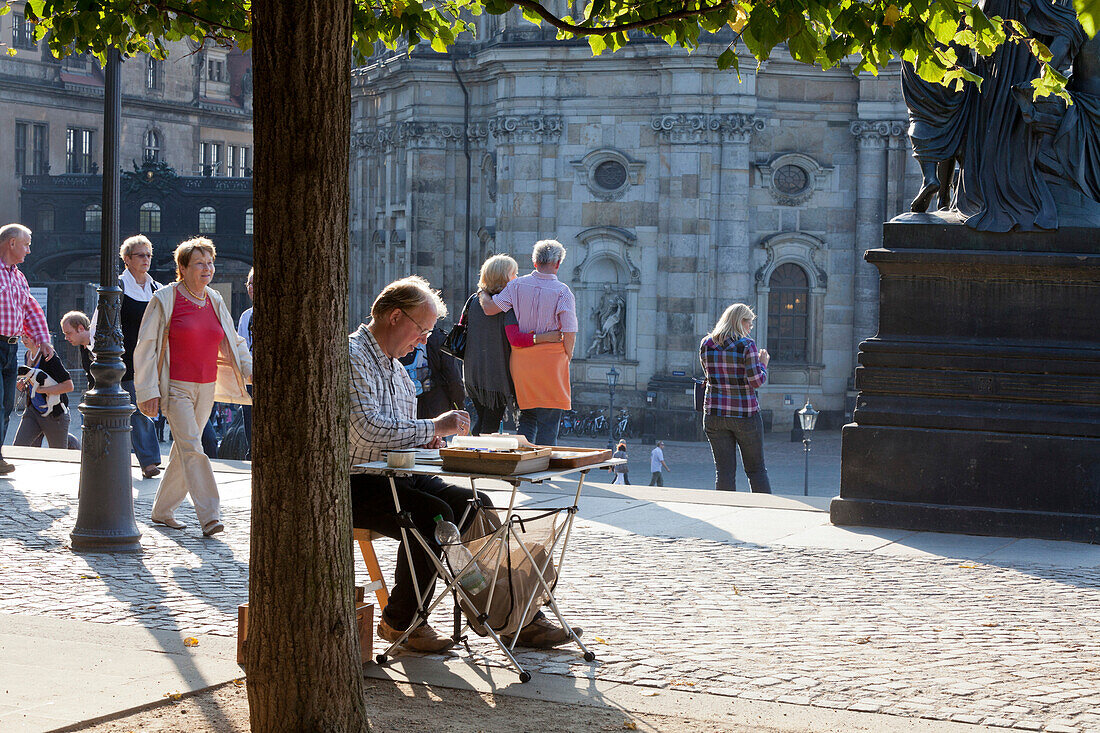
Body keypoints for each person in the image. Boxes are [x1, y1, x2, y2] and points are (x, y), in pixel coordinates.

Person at [350, 275, 574, 652]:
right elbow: (366, 432)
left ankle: (512, 610)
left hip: (395, 475)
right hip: (352, 483)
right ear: (394, 317)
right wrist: (433, 425)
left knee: (477, 504)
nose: (425, 340)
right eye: (422, 329)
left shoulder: (397, 369)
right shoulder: (352, 356)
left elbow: (398, 433)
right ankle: (402, 621)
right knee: (433, 515)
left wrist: (430, 438)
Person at [134, 238, 252, 536]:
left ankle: (162, 511)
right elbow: (146, 347)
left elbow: (233, 341)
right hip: (176, 388)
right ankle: (210, 515)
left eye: (210, 263)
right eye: (199, 263)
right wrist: (147, 391)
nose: (207, 268)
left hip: (206, 388)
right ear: (182, 268)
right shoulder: (164, 298)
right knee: (194, 449)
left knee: (185, 450)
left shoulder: (214, 299)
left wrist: (252, 372)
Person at [479, 240, 577, 446]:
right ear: (558, 263)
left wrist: (482, 292)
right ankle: (544, 468)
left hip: (522, 362)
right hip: (552, 362)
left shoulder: (516, 286)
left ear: (534, 261)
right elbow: (569, 331)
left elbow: (490, 309)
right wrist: (567, 356)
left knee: (527, 417)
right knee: (549, 422)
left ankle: (525, 464)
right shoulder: (563, 292)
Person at [84, 235, 167, 479]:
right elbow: (99, 322)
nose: (146, 260)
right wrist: (97, 353)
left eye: (149, 255)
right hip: (124, 359)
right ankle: (149, 461)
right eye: (141, 255)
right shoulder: (117, 287)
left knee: (147, 406)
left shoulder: (157, 289)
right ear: (127, 259)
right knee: (138, 408)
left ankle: (140, 456)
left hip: (149, 359)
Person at [700, 303, 772, 493]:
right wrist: (763, 363)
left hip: (714, 414)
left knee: (723, 472)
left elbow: (709, 376)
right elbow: (756, 381)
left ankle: (725, 509)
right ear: (740, 322)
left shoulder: (706, 344)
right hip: (744, 415)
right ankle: (765, 511)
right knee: (756, 470)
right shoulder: (747, 346)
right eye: (749, 323)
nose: (750, 328)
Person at [0, 224, 54, 475]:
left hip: (10, 348)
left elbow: (31, 310)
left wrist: (43, 339)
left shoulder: (18, 277)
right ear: (11, 243)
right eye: (26, 243)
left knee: (6, 404)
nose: (30, 250)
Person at [13, 333, 75, 449]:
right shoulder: (27, 355)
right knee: (18, 449)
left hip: (54, 414)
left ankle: (71, 442)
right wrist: (24, 384)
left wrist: (42, 390)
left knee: (58, 456)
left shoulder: (49, 356)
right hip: (33, 411)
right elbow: (33, 378)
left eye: (27, 336)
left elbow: (69, 386)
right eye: (22, 336)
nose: (23, 340)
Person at [400, 327, 465, 419]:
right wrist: (459, 407)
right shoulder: (439, 338)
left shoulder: (399, 335)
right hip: (435, 409)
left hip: (404, 409)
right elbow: (454, 379)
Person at [237, 267, 253, 458]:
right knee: (248, 418)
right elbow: (242, 345)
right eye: (250, 284)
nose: (253, 288)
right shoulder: (245, 316)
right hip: (250, 378)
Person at [59, 311, 95, 390]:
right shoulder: (82, 346)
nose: (66, 337)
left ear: (81, 328)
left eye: (68, 333)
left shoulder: (98, 344)